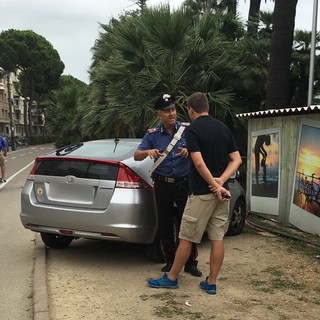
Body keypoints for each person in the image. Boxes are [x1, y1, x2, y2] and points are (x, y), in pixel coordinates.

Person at [147, 92, 242, 295]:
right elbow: (236, 160)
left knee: (187, 237)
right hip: (221, 194)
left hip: (201, 192)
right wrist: (222, 182)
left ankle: (171, 278)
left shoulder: (193, 130)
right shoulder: (223, 128)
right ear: (207, 106)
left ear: (190, 109)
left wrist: (213, 186)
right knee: (217, 237)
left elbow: (198, 163)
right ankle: (212, 282)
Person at [134, 93, 202, 277]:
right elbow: (136, 155)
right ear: (159, 114)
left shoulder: (188, 130)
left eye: (173, 109)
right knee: (165, 225)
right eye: (166, 111)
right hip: (162, 185)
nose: (171, 113)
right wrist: (148, 151)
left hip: (183, 184)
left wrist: (189, 150)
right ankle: (170, 261)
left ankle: (190, 263)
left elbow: (201, 149)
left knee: (187, 224)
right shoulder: (153, 134)